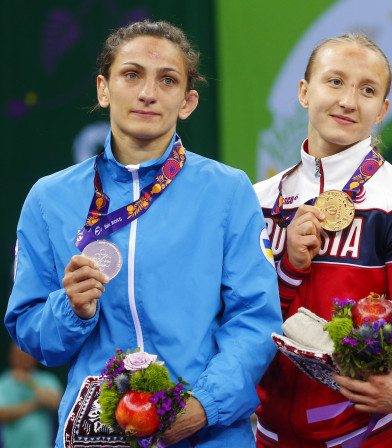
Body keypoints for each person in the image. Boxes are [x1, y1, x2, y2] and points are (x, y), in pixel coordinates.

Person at [5, 20, 282, 447]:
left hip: (206, 433)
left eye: (167, 80)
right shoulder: (49, 198)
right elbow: (30, 330)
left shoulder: (227, 191)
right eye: (132, 74)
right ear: (103, 89)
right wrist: (71, 310)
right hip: (97, 433)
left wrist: (204, 407)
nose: (148, 93)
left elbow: (255, 321)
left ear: (188, 101)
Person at [253, 33, 392, 447]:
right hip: (270, 435)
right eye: (334, 81)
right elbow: (245, 319)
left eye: (368, 90)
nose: (348, 101)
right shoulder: (258, 201)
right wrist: (289, 269)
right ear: (305, 92)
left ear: (382, 111)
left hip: (368, 433)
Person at [0, 343, 62, 448]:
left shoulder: (47, 379)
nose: (23, 358)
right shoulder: (3, 383)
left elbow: (60, 405)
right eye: (19, 355)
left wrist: (30, 382)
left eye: (26, 355)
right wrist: (35, 404)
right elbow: (2, 414)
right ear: (11, 356)